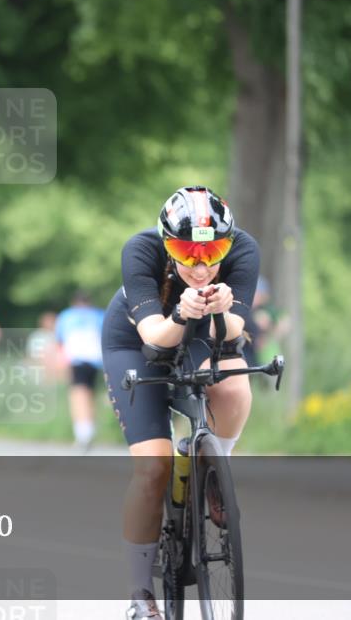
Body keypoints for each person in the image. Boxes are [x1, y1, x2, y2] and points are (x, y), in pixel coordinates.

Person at [101, 186, 258, 618]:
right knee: (153, 467)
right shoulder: (141, 250)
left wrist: (222, 313)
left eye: (214, 250)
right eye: (188, 252)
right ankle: (139, 594)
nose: (203, 265)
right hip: (137, 341)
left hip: (203, 334)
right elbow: (154, 337)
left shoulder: (243, 249)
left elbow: (233, 331)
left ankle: (213, 469)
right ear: (168, 244)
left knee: (234, 385)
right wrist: (183, 313)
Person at [56, 291, 106, 453]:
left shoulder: (67, 316)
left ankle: (83, 433)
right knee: (90, 394)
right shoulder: (99, 315)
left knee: (78, 394)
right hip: (95, 360)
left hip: (76, 359)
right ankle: (89, 429)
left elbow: (60, 339)